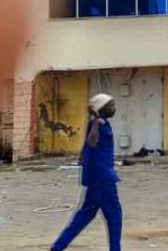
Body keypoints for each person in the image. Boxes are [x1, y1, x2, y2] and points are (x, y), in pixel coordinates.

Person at [51, 93, 123, 251]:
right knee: (114, 216)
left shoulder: (103, 123)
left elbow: (85, 152)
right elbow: (91, 142)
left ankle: (57, 247)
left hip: (97, 176)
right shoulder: (97, 123)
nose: (114, 108)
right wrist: (96, 122)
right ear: (101, 109)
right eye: (111, 106)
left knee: (85, 215)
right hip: (103, 178)